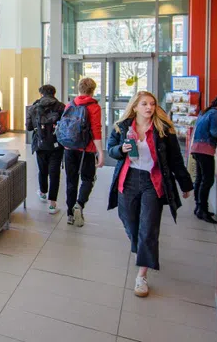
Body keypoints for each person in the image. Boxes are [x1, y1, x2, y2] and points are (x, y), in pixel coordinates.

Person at [107, 91, 193, 298]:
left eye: (152, 104)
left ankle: (142, 275)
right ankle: (143, 248)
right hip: (127, 180)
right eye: (144, 104)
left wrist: (185, 184)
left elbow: (175, 160)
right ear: (135, 107)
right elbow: (111, 149)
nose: (149, 108)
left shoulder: (163, 130)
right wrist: (121, 149)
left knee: (149, 227)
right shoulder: (122, 127)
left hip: (152, 183)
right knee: (128, 221)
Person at [63, 77, 105, 227]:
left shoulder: (69, 105)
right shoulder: (94, 107)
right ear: (92, 91)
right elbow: (96, 131)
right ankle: (79, 205)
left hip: (69, 148)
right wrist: (100, 152)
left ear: (79, 89)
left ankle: (69, 214)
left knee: (71, 180)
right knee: (88, 179)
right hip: (86, 150)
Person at [26, 85, 65, 215]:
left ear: (41, 94)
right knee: (54, 173)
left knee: (42, 169)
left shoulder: (34, 107)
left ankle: (43, 193)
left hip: (40, 144)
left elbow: (29, 127)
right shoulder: (61, 107)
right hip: (57, 144)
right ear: (54, 93)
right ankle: (52, 204)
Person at [191, 96, 217, 224]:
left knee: (200, 179)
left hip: (196, 148)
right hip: (206, 149)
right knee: (207, 180)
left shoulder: (204, 112)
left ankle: (198, 207)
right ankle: (203, 209)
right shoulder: (215, 114)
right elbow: (215, 132)